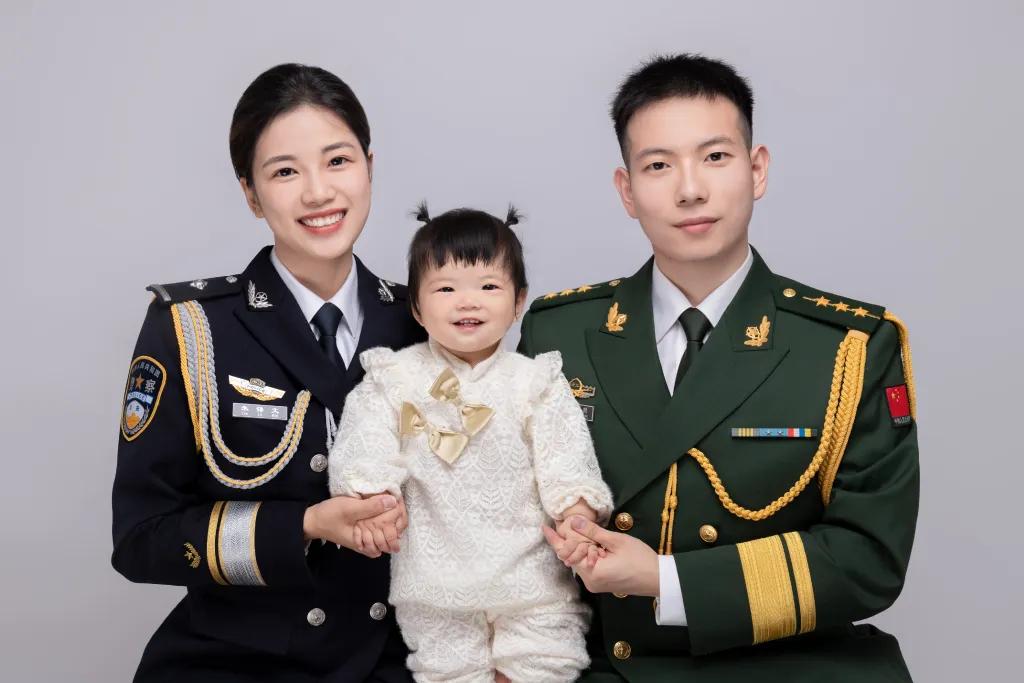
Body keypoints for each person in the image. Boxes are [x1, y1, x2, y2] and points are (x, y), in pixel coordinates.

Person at [524, 54, 919, 681]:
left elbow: (868, 559)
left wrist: (664, 579)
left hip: (783, 666)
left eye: (714, 157)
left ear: (756, 170)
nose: (690, 189)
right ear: (626, 190)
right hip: (606, 666)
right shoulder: (558, 332)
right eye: (658, 165)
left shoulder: (848, 346)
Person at [110, 63, 426, 682]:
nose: (318, 192)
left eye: (338, 161)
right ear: (251, 194)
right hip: (238, 662)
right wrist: (303, 526)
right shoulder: (192, 329)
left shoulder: (426, 321)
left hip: (396, 661)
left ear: (369, 166)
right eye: (285, 172)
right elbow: (141, 538)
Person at [327, 204, 615, 683]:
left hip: (534, 581)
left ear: (519, 301)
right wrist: (373, 499)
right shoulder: (393, 379)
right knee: (447, 672)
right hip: (434, 587)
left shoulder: (536, 381)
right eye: (446, 289)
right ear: (417, 308)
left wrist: (577, 512)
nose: (468, 302)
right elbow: (364, 448)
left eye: (488, 287)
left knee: (545, 666)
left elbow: (567, 458)